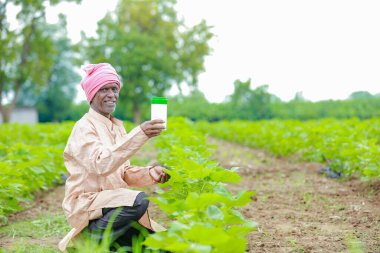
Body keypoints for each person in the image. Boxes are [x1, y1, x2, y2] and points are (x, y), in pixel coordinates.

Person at [58, 63, 169, 252]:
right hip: (88, 202)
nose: (111, 94)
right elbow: (100, 164)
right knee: (138, 201)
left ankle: (107, 243)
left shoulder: (116, 126)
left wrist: (151, 173)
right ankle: (88, 240)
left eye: (114, 89)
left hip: (113, 203)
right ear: (92, 95)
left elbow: (123, 172)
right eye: (104, 89)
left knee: (160, 247)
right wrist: (140, 133)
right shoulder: (84, 127)